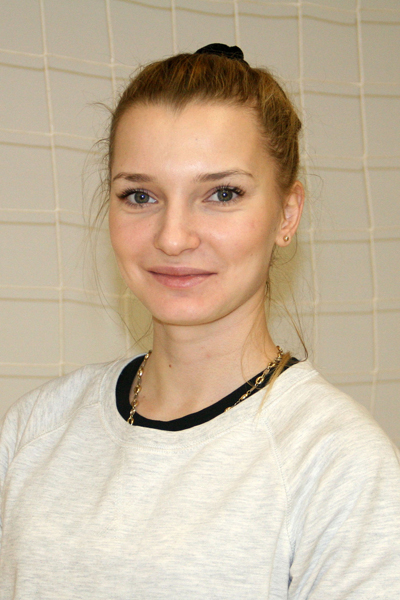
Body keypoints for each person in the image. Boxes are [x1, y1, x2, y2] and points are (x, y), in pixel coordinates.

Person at [0, 43, 399, 599]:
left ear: (287, 213)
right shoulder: (33, 432)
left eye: (222, 194)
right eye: (140, 195)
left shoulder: (337, 461)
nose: (172, 237)